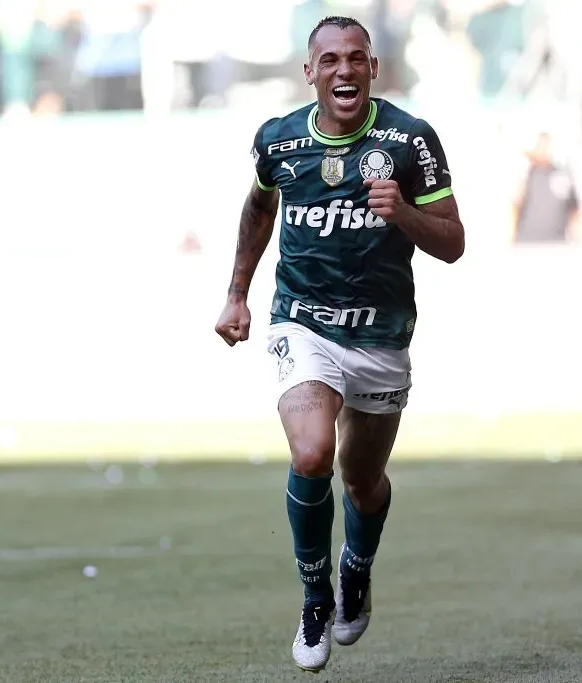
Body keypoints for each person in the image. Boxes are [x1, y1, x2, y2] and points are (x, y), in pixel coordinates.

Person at [214, 15, 465, 673]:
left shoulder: (410, 140)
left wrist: (402, 212)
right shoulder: (279, 141)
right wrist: (237, 292)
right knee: (312, 451)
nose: (344, 70)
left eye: (356, 58)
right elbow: (259, 209)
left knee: (363, 480)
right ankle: (315, 597)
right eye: (330, 60)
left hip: (381, 335)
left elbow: (453, 242)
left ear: (373, 69)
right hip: (302, 322)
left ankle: (357, 570)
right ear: (310, 72)